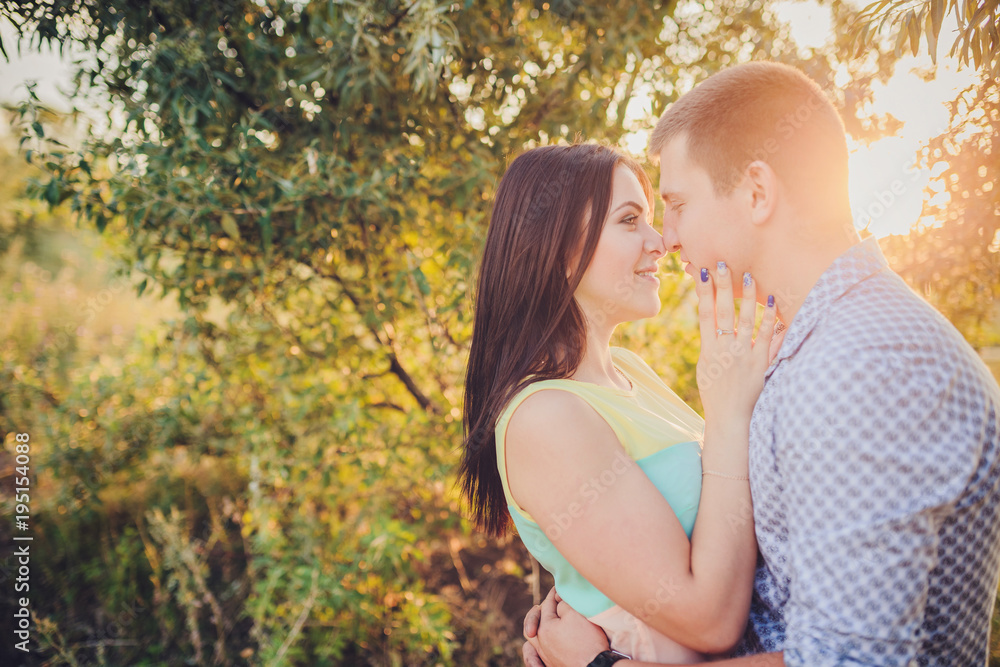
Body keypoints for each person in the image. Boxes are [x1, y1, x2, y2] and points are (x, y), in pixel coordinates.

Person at [520, 62, 1000, 667]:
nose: (667, 238)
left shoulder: (866, 366)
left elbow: (848, 662)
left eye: (677, 204)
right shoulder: (814, 345)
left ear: (757, 192)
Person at [458, 142, 780, 662]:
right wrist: (726, 412)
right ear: (556, 250)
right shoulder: (544, 417)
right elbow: (710, 620)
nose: (661, 242)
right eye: (630, 220)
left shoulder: (631, 371)